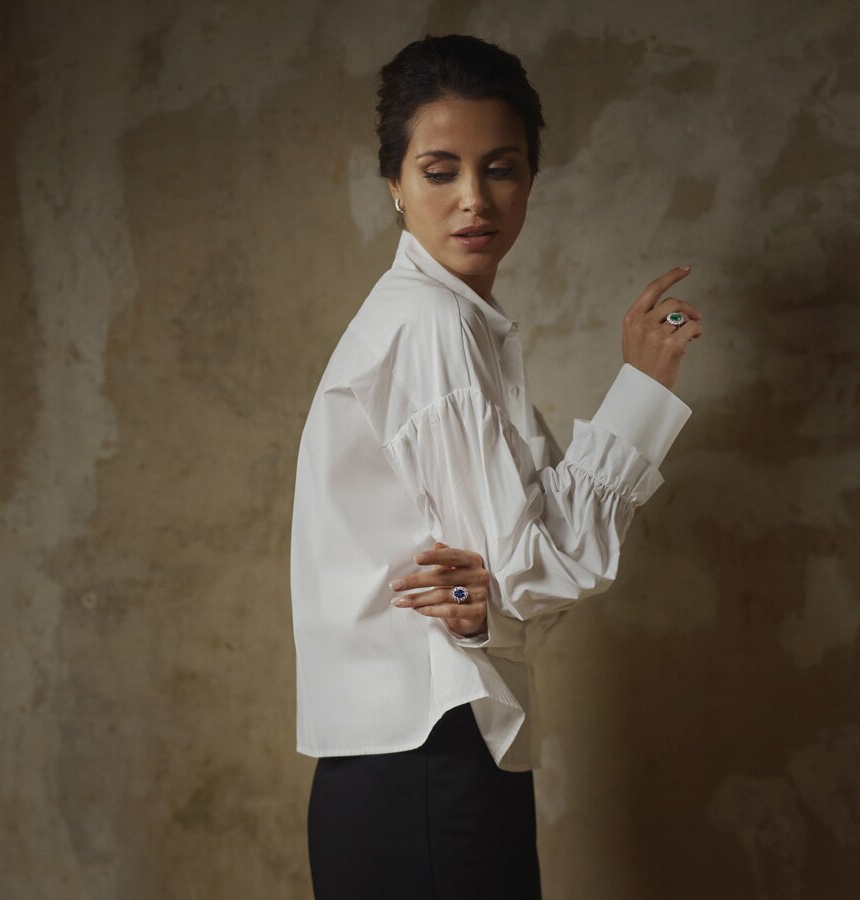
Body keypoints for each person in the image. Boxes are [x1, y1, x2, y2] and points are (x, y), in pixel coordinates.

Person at [290, 34, 702, 900]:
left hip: (422, 763)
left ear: (531, 180)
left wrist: (501, 597)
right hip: (428, 767)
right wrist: (640, 393)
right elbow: (539, 570)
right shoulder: (431, 326)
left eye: (501, 169)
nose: (475, 199)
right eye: (440, 171)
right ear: (394, 183)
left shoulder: (455, 323)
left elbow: (522, 567)